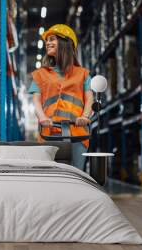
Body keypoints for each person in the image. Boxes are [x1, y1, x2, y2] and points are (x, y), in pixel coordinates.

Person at [29, 24, 94, 171]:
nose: (48, 43)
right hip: (49, 132)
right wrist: (42, 117)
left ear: (65, 42)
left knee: (76, 174)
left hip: (77, 132)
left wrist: (85, 116)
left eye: (52, 39)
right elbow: (36, 100)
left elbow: (90, 98)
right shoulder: (40, 74)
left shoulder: (83, 74)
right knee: (50, 175)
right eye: (47, 40)